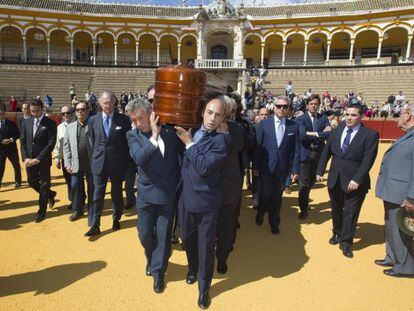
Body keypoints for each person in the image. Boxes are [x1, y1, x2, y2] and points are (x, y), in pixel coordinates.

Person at [175, 96, 230, 309]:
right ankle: (192, 268)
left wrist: (189, 144)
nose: (212, 118)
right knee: (187, 238)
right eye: (209, 112)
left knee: (206, 246)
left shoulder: (222, 141)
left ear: (223, 118)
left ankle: (204, 289)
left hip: (207, 202)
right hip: (185, 198)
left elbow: (205, 167)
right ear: (202, 112)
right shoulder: (192, 129)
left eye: (217, 115)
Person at [127, 97, 182, 294]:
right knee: (144, 234)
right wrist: (154, 137)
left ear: (151, 113)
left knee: (164, 236)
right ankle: (151, 257)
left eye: (140, 118)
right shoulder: (132, 136)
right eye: (133, 119)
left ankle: (158, 273)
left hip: (168, 194)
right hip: (145, 195)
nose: (137, 124)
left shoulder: (171, 131)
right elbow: (139, 158)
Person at [316, 103, 379, 258]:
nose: (349, 118)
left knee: (351, 213)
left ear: (362, 116)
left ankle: (346, 242)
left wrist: (357, 178)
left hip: (355, 181)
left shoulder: (370, 135)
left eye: (353, 115)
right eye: (347, 114)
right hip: (335, 178)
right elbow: (327, 152)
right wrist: (319, 170)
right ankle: (337, 233)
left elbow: (368, 160)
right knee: (336, 208)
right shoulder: (336, 131)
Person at [375, 103, 414, 278]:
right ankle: (392, 257)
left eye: (401, 114)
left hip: (402, 194)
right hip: (393, 191)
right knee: (391, 227)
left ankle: (405, 267)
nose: (398, 117)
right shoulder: (407, 135)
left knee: (400, 231)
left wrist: (412, 198)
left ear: (408, 116)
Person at [85, 91, 131, 237]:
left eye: (110, 102)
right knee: (97, 194)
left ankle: (116, 218)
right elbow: (91, 142)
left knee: (117, 193)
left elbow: (127, 143)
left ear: (114, 102)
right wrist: (94, 160)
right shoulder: (92, 120)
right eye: (105, 102)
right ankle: (95, 224)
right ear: (100, 103)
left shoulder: (123, 120)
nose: (108, 105)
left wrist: (124, 162)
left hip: (117, 163)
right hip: (99, 163)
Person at [253, 96, 300, 235]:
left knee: (277, 197)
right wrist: (255, 167)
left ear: (289, 109)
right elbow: (257, 147)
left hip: (283, 168)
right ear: (273, 107)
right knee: (266, 194)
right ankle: (261, 211)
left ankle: (274, 222)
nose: (281, 109)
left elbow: (295, 150)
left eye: (285, 106)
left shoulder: (294, 126)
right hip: (265, 167)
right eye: (279, 106)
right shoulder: (264, 124)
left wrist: (295, 170)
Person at [216, 95, 244, 275]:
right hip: (207, 189)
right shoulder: (203, 126)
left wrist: (225, 133)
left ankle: (222, 258)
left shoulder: (236, 129)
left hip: (228, 187)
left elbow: (236, 147)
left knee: (226, 227)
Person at [20, 98, 57, 223]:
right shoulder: (26, 122)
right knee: (32, 182)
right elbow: (23, 141)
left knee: (45, 185)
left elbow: (51, 144)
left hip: (43, 160)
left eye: (36, 111)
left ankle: (41, 211)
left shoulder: (50, 123)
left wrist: (38, 159)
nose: (33, 113)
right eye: (31, 111)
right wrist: (25, 157)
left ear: (42, 109)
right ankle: (51, 194)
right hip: (29, 159)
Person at [295, 94, 331, 219]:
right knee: (304, 183)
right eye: (311, 104)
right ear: (307, 105)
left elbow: (329, 134)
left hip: (319, 154)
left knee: (312, 180)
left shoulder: (323, 118)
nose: (314, 106)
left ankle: (304, 201)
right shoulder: (300, 119)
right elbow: (303, 136)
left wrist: (313, 133)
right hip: (306, 152)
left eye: (316, 104)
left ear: (319, 105)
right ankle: (303, 208)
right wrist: (321, 134)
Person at [63, 101, 93, 221]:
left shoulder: (94, 125)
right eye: (78, 110)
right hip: (76, 163)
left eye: (83, 109)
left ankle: (92, 209)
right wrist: (67, 163)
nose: (80, 112)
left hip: (91, 163)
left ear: (88, 110)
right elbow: (66, 146)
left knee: (92, 187)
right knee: (75, 186)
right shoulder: (70, 127)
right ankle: (77, 210)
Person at [53, 105, 74, 207]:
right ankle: (73, 199)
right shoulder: (59, 128)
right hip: (65, 159)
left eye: (68, 113)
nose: (66, 115)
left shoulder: (78, 125)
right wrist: (57, 158)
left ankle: (79, 199)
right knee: (69, 181)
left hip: (77, 159)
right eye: (63, 113)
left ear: (73, 113)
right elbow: (57, 144)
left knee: (77, 181)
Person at [0, 105, 21, 189]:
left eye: (1, 114)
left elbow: (18, 134)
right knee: (0, 166)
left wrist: (10, 139)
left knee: (16, 165)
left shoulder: (11, 123)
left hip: (11, 148)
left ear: (4, 114)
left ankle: (18, 181)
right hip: (1, 149)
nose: (0, 116)